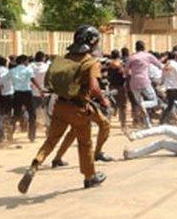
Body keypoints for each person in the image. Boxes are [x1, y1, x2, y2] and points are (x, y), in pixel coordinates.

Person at [18, 25, 109, 194]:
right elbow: (95, 87)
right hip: (79, 109)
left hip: (60, 105)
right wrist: (104, 101)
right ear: (92, 42)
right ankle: (90, 177)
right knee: (85, 143)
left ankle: (35, 165)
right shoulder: (90, 61)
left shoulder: (63, 58)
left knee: (51, 140)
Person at [125, 41, 163, 128]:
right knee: (154, 101)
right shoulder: (148, 56)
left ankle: (147, 124)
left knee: (140, 104)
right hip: (145, 81)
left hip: (133, 82)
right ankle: (143, 106)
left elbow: (126, 71)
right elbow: (159, 65)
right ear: (144, 47)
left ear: (135, 47)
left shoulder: (131, 57)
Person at [9, 54, 43, 142]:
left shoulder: (12, 70)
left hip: (17, 93)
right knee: (32, 114)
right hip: (27, 93)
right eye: (27, 60)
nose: (28, 62)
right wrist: (40, 89)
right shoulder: (28, 69)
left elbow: (7, 80)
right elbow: (33, 80)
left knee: (16, 113)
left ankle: (11, 131)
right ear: (24, 61)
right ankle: (31, 136)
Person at [160, 52, 177, 124]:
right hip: (176, 87)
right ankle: (175, 112)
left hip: (168, 88)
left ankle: (162, 121)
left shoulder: (165, 66)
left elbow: (162, 79)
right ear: (175, 57)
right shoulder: (176, 65)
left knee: (170, 105)